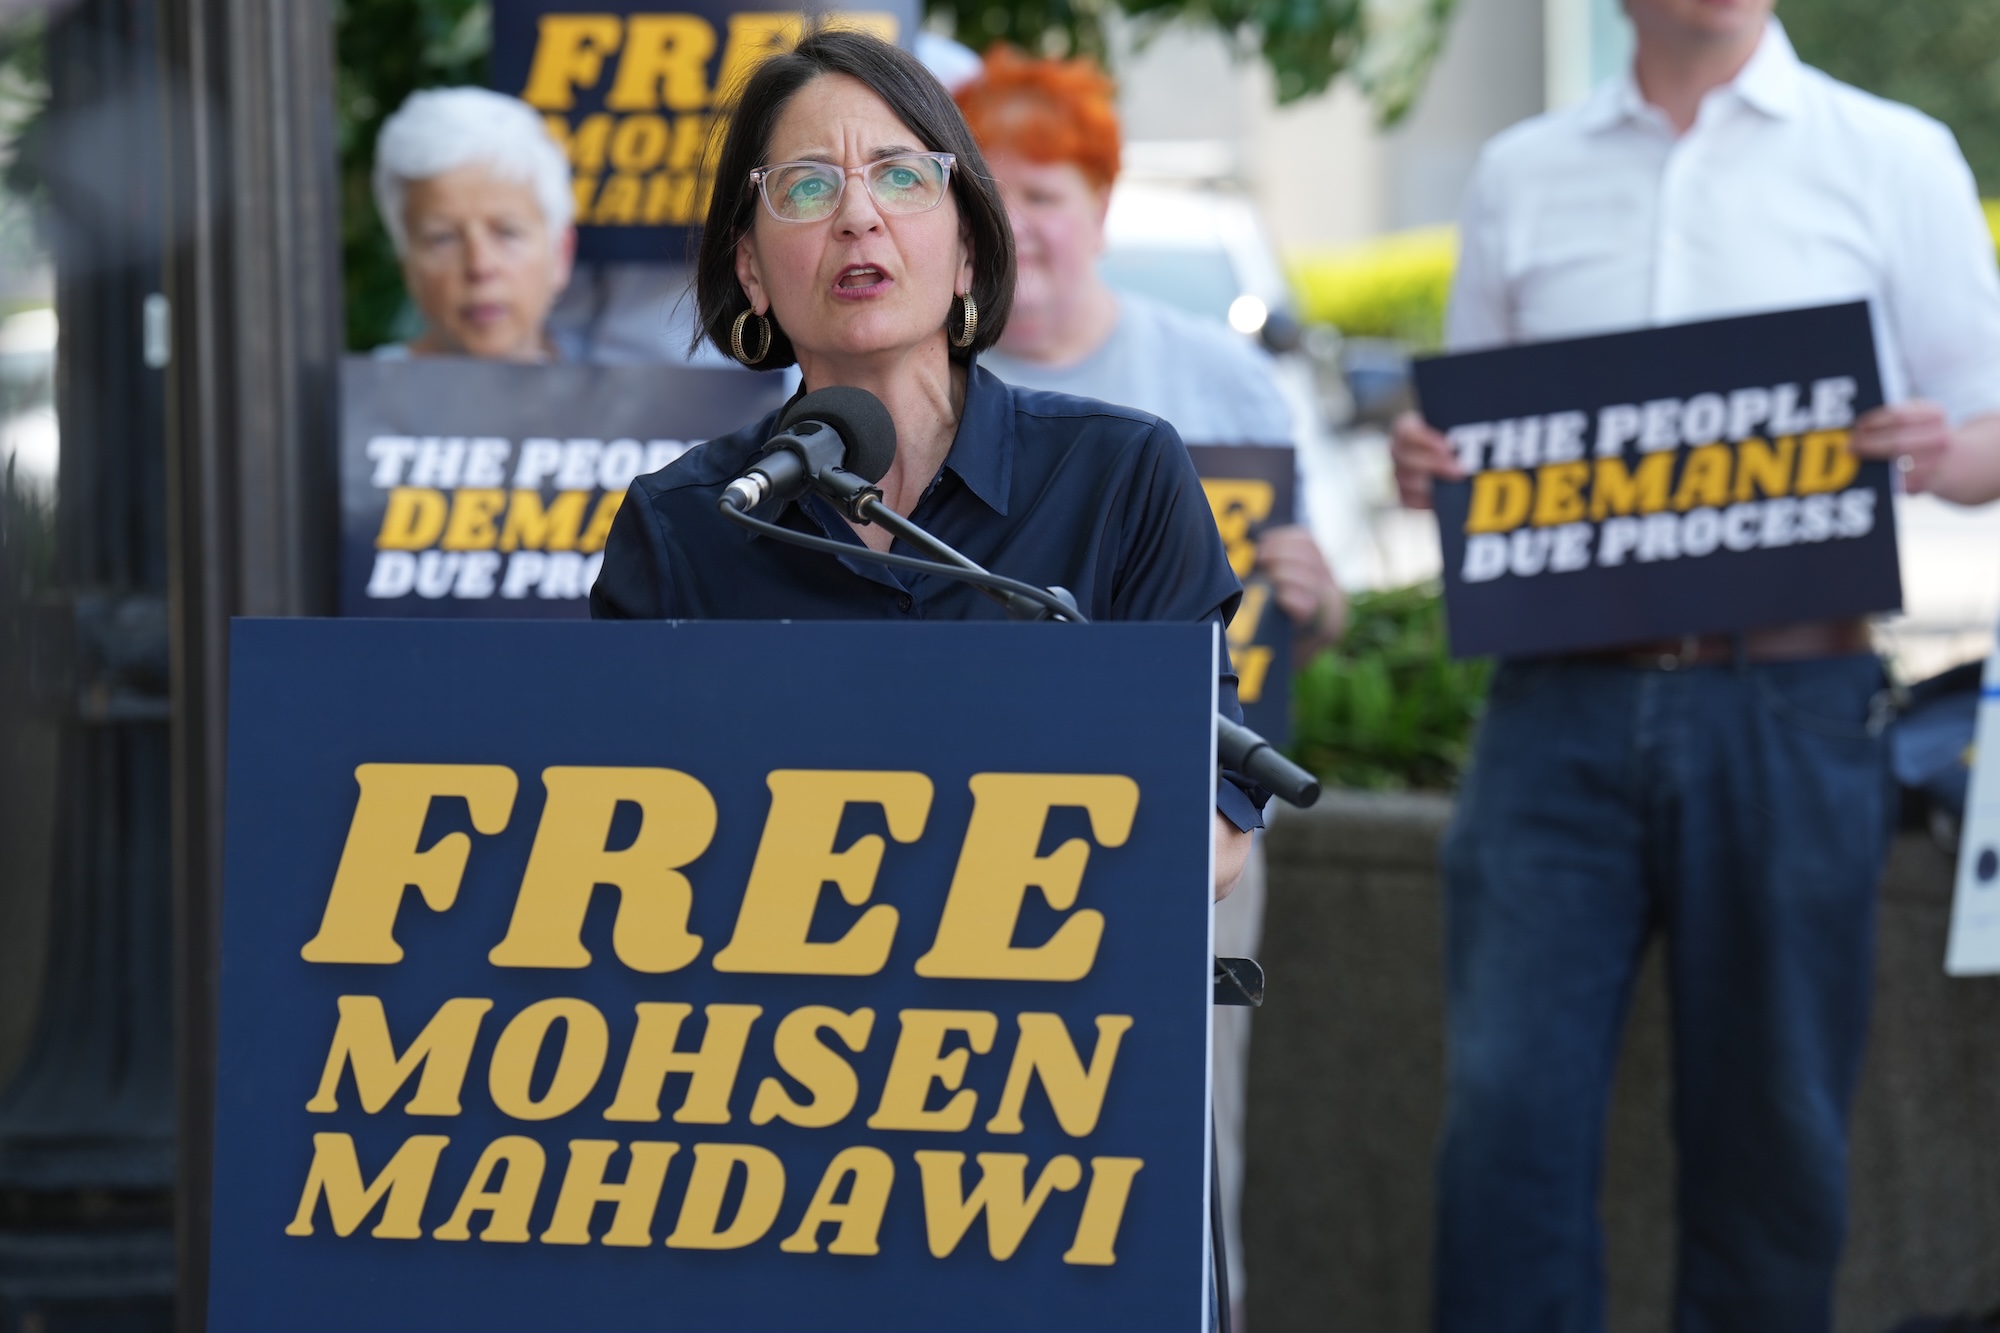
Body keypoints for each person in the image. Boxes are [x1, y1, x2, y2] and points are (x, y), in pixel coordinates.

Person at [1390, 3, 2000, 1329]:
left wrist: (1938, 450)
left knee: (1773, 1131)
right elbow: (1466, 434)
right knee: (1503, 1120)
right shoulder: (1521, 170)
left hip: (1792, 697)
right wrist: (1424, 459)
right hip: (1555, 699)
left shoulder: (1892, 155)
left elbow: (1987, 429)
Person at [587, 27, 1267, 903]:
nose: (857, 216)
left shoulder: (1120, 474)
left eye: (901, 177)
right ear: (750, 270)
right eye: (807, 186)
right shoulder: (683, 522)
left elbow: (1214, 830)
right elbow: (612, 841)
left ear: (968, 248)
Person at [955, 45, 1346, 1324]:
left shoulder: (1212, 377)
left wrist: (1311, 590)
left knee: (1182, 1118)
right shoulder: (920, 387)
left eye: (1046, 194)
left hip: (1192, 822)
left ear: (1102, 208)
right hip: (967, 815)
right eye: (992, 194)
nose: (1021, 224)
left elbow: (1301, 622)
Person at [370, 87, 579, 362]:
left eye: (508, 233)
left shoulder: (612, 388)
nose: (480, 265)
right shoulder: (357, 389)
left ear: (561, 253)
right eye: (443, 238)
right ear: (407, 263)